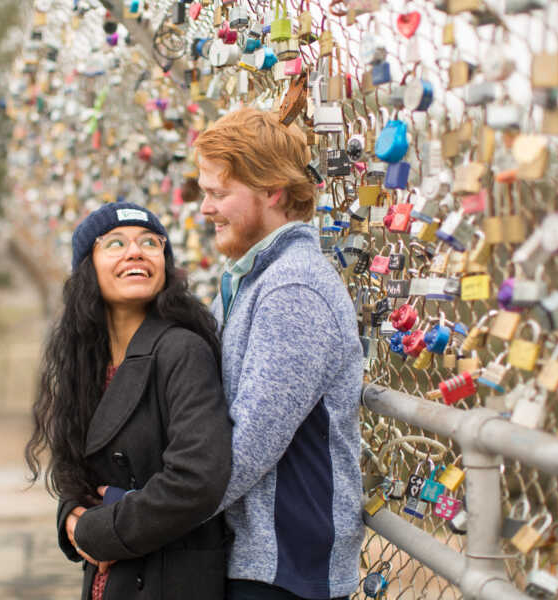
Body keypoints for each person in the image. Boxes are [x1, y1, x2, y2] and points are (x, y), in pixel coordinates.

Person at [194, 107, 365, 600]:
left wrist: (139, 518)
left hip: (284, 569)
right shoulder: (251, 280)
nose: (205, 209)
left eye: (219, 194)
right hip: (254, 558)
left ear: (273, 191)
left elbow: (247, 448)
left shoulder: (293, 289)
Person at [25, 202, 232, 600]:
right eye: (115, 243)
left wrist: (100, 531)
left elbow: (196, 480)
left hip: (169, 576)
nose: (135, 252)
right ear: (88, 267)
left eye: (150, 243)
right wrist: (70, 515)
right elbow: (79, 467)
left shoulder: (181, 350)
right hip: (110, 577)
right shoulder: (86, 362)